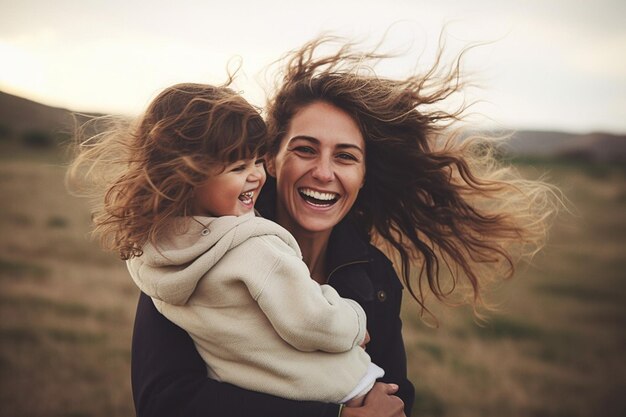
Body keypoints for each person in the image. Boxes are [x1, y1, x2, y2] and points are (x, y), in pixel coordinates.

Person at [96, 35, 559, 417]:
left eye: (345, 156)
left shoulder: (373, 276)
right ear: (274, 160)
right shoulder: (202, 247)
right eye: (304, 149)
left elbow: (393, 395)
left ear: (362, 175)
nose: (323, 172)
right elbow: (166, 402)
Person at [68, 82, 387, 408]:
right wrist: (354, 321)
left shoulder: (156, 257)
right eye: (238, 168)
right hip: (344, 389)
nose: (255, 176)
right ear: (190, 178)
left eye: (255, 162)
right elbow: (312, 321)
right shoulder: (254, 246)